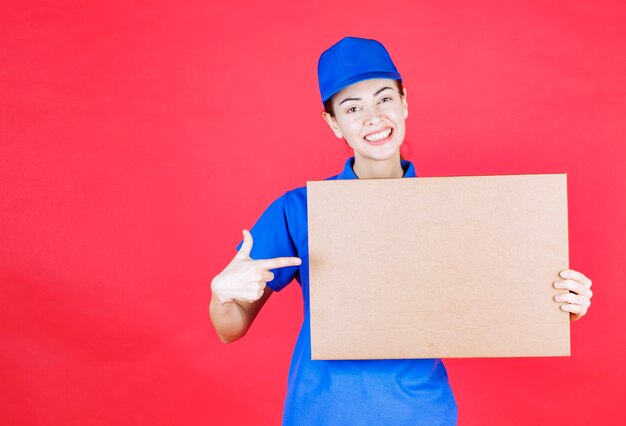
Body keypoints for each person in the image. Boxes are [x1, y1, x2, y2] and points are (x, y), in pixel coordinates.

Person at [209, 36, 594, 425]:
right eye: (352, 107)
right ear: (334, 124)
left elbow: (492, 302)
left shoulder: (452, 211)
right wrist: (223, 297)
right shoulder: (299, 209)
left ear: (405, 101)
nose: (373, 117)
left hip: (421, 413)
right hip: (321, 412)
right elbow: (230, 329)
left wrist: (557, 306)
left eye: (384, 99)